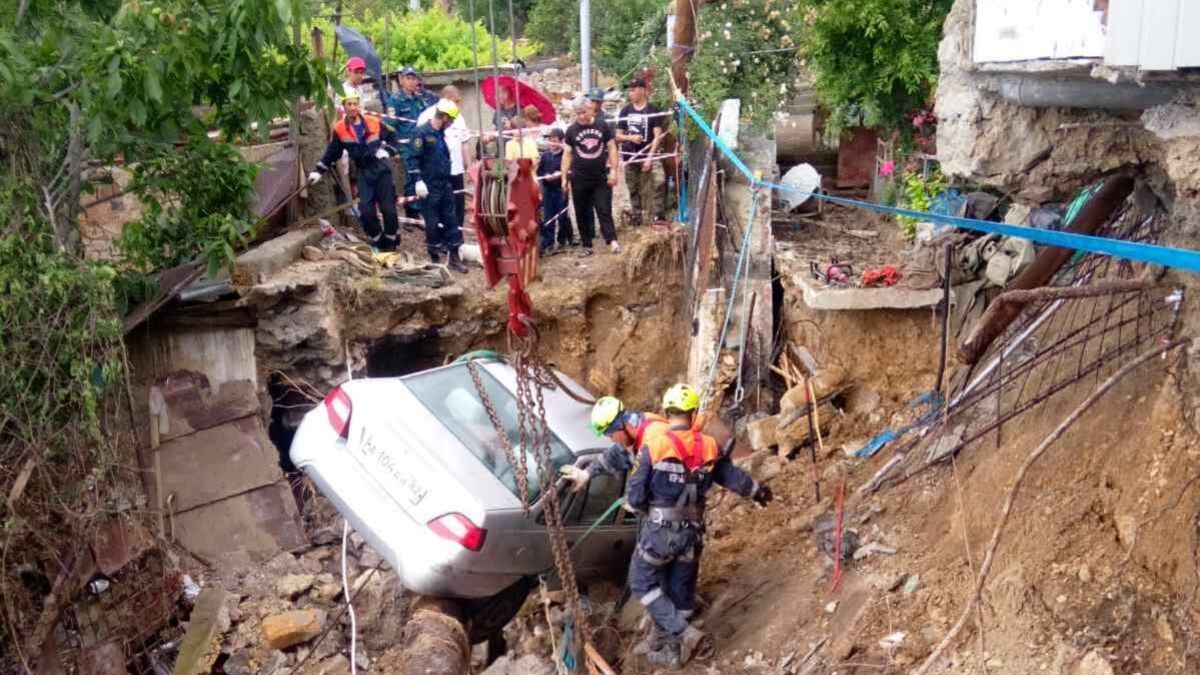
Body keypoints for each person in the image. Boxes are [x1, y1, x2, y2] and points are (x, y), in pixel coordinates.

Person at [626, 384, 774, 667]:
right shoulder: (709, 446)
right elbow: (733, 477)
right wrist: (758, 491)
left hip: (659, 532)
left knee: (642, 583)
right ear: (692, 414)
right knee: (681, 594)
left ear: (667, 414)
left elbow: (635, 496)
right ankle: (670, 648)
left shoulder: (654, 446)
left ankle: (684, 634)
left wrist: (649, 509)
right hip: (691, 534)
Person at [308, 92, 403, 251]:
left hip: (381, 169)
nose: (352, 107)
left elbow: (393, 137)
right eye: (348, 104)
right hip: (363, 172)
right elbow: (333, 152)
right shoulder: (340, 129)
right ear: (344, 106)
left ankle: (392, 242)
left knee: (388, 209)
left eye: (354, 104)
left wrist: (388, 151)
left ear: (359, 105)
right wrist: (318, 171)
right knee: (366, 212)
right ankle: (378, 240)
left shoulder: (374, 122)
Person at [407, 99, 469, 273]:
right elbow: (412, 159)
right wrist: (418, 180)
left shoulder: (440, 134)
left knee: (451, 219)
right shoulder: (421, 133)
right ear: (443, 117)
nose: (450, 125)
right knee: (432, 223)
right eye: (449, 121)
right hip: (429, 186)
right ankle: (435, 259)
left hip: (445, 184)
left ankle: (454, 257)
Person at [560, 397, 667, 487]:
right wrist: (587, 473)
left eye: (610, 434)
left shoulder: (654, 443)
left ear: (620, 427)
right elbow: (616, 454)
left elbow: (666, 489)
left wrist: (638, 501)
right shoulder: (638, 425)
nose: (611, 439)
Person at [563, 97, 621, 255]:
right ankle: (586, 245)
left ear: (590, 109)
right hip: (579, 177)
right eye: (578, 113)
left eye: (584, 112)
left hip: (600, 176)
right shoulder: (571, 130)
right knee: (581, 211)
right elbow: (567, 154)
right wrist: (563, 177)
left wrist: (614, 171)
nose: (581, 116)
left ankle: (612, 240)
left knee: (604, 208)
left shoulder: (603, 125)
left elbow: (612, 148)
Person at [417, 86, 472, 233]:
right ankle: (439, 240)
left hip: (456, 170)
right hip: (435, 173)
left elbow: (464, 143)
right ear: (447, 98)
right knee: (437, 207)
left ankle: (456, 238)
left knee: (458, 206)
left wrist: (469, 167)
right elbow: (418, 150)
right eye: (456, 100)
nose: (458, 104)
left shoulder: (458, 117)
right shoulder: (427, 115)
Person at [616, 78, 666, 227]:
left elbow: (657, 136)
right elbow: (618, 135)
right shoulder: (625, 110)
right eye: (630, 90)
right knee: (633, 187)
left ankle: (658, 215)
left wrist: (650, 157)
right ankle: (637, 217)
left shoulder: (653, 110)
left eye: (634, 89)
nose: (631, 93)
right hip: (630, 155)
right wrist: (630, 137)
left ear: (643, 90)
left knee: (660, 180)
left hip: (649, 153)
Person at [388, 67, 427, 222]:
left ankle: (422, 209)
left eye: (414, 78)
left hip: (420, 145)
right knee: (411, 177)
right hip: (405, 146)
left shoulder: (419, 100)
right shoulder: (395, 100)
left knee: (421, 176)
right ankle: (412, 213)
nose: (411, 81)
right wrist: (395, 149)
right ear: (401, 80)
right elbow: (390, 125)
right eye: (408, 78)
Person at [536, 128, 575, 252]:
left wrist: (561, 174)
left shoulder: (566, 155)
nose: (552, 144)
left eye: (555, 141)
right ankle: (549, 242)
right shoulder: (545, 156)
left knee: (562, 216)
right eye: (550, 141)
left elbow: (571, 171)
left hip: (561, 189)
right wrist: (546, 176)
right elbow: (540, 171)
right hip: (548, 190)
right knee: (548, 217)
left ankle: (562, 240)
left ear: (561, 141)